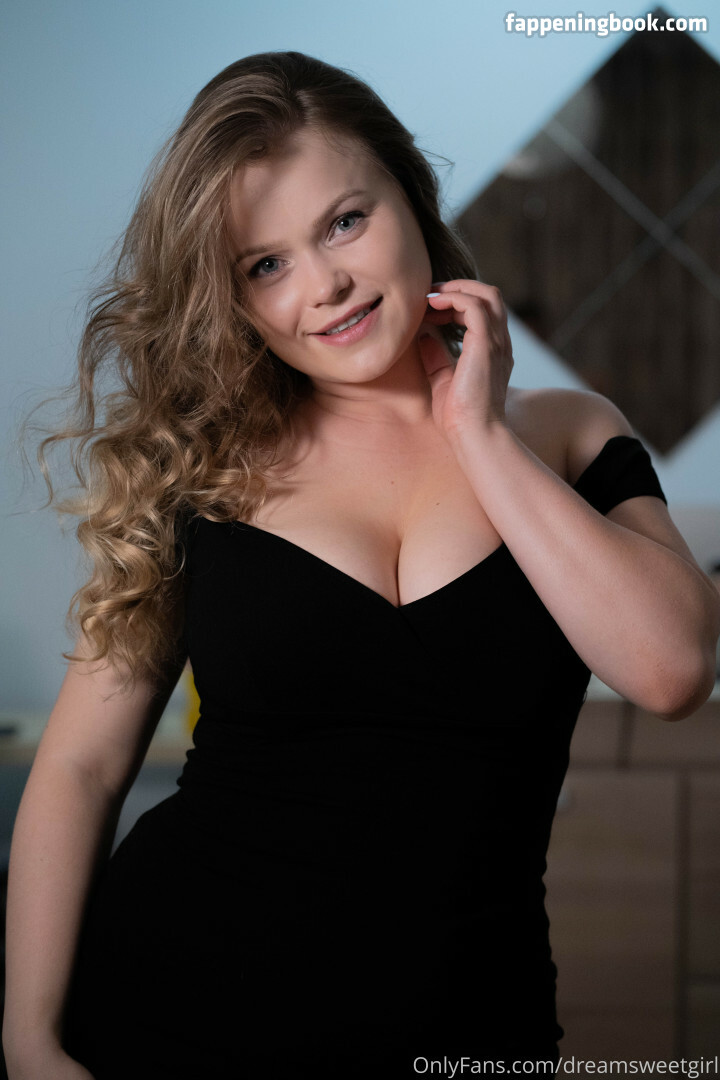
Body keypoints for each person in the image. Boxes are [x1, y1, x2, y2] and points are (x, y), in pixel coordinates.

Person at [3, 50, 719, 1080]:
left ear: (411, 196)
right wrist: (29, 1039)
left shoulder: (567, 434)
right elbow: (82, 768)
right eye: (265, 265)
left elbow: (671, 669)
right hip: (165, 1019)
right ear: (231, 298)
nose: (324, 284)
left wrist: (480, 435)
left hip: (472, 1036)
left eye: (344, 221)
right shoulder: (199, 468)